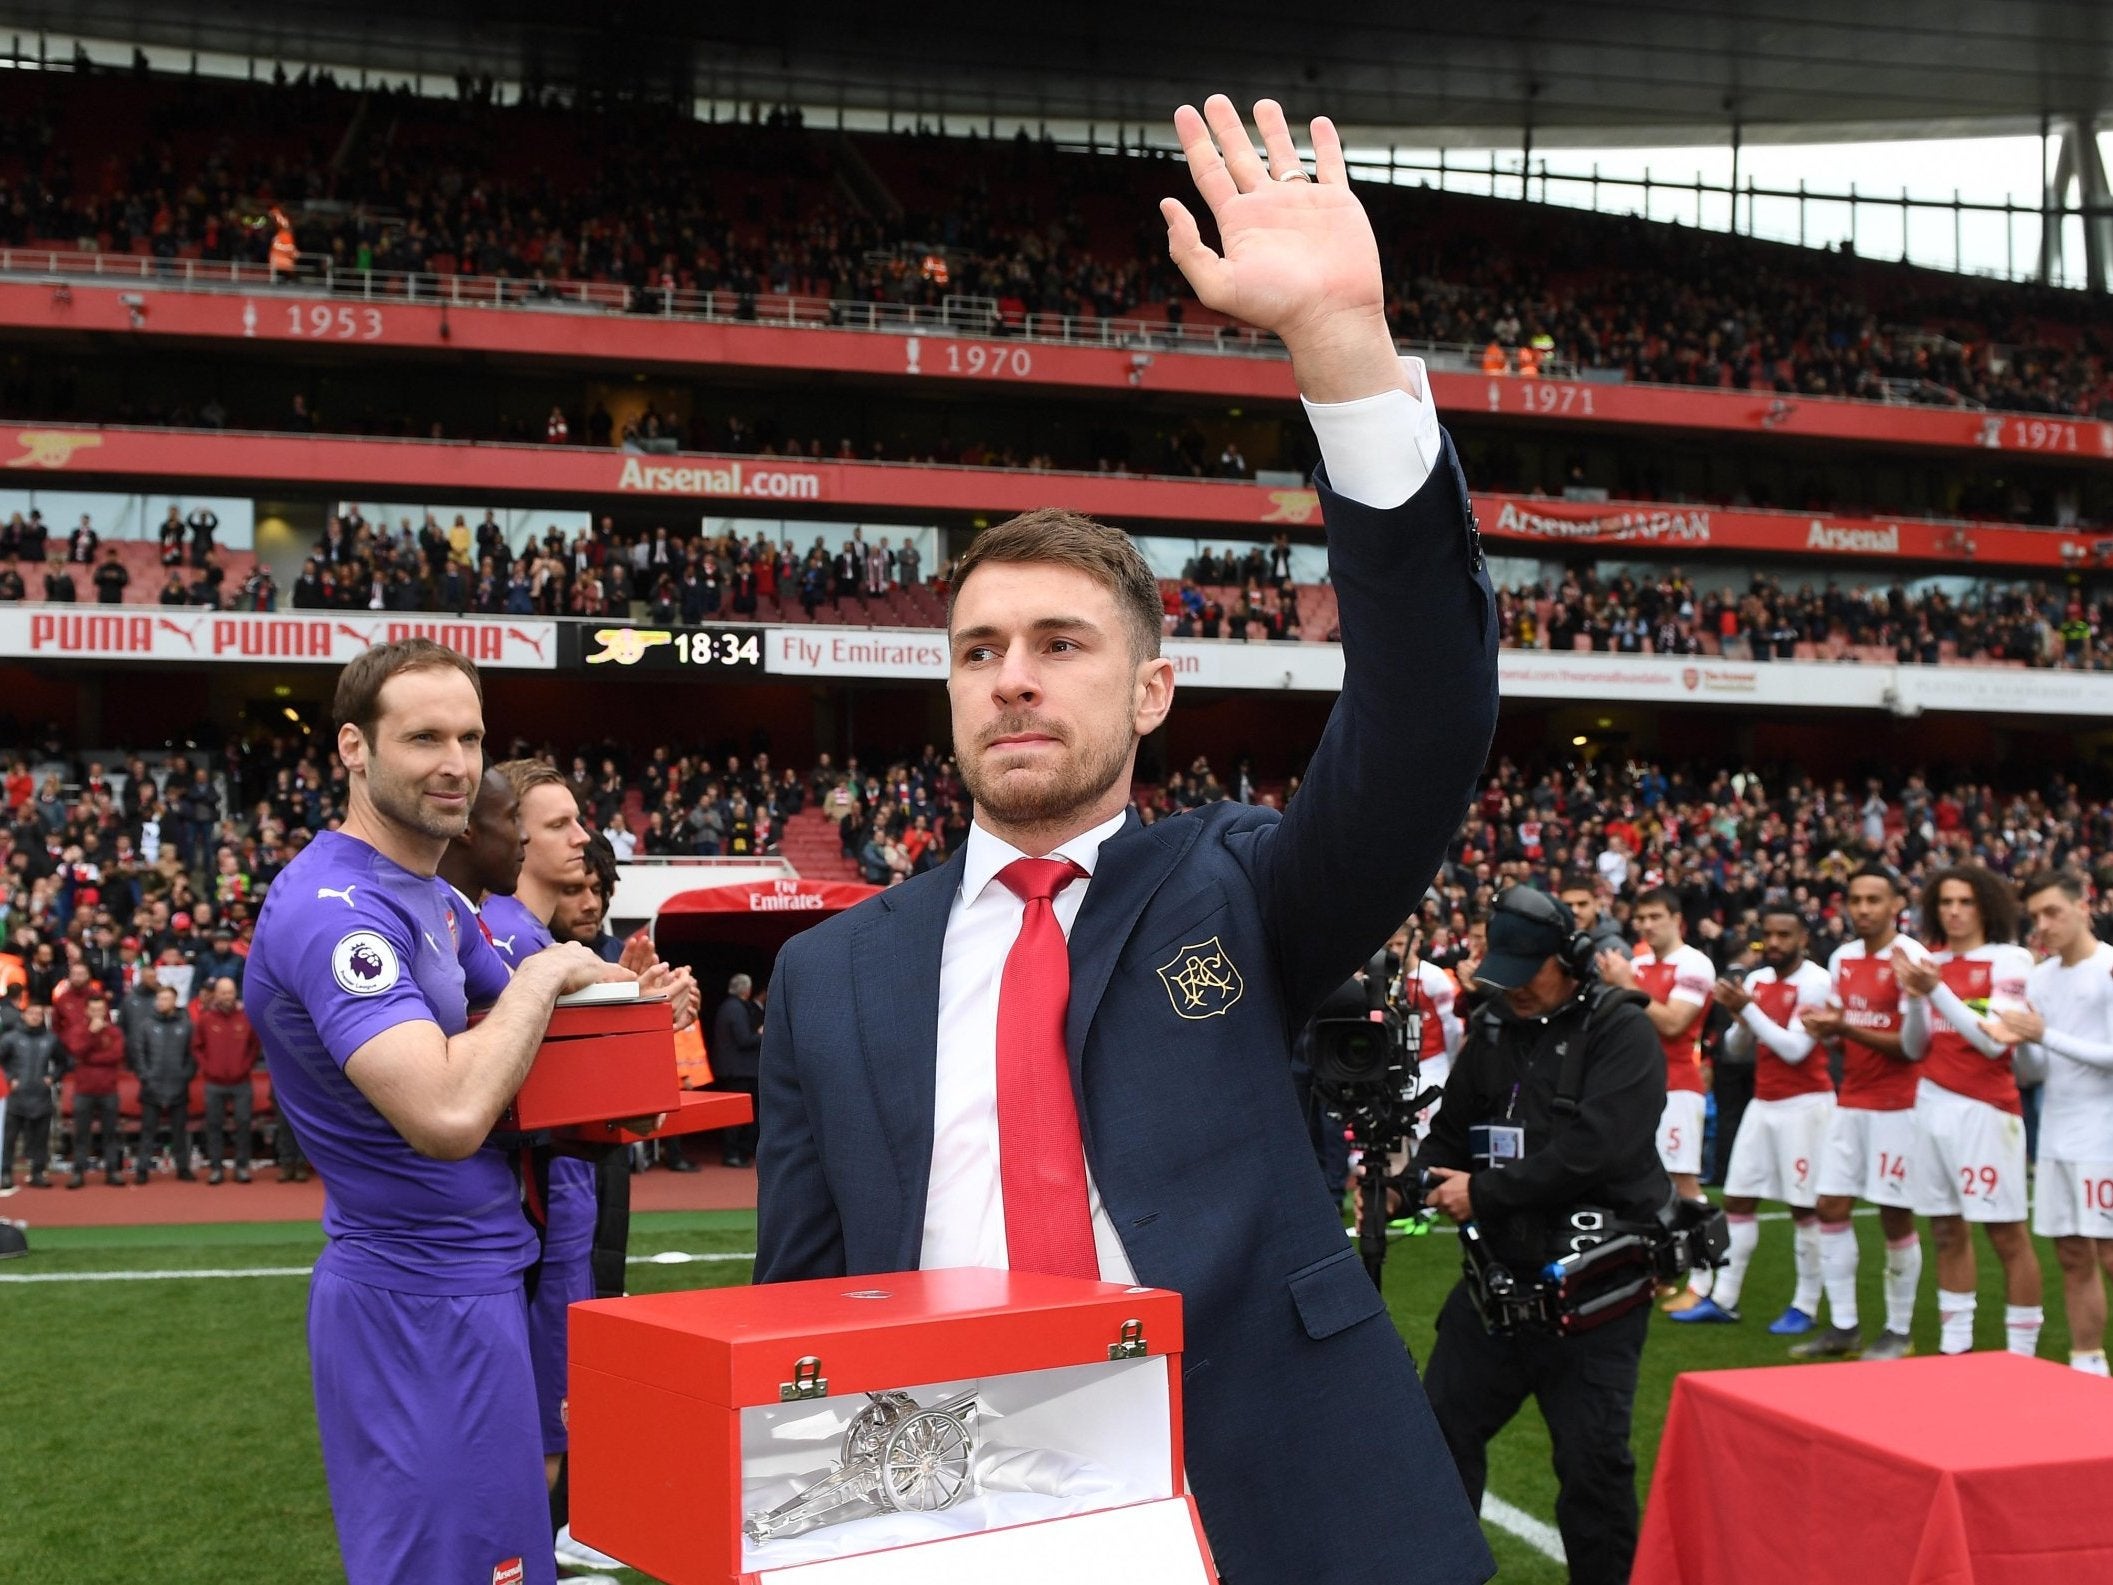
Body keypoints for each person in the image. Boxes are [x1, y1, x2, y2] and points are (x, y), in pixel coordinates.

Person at [753, 97, 1497, 1585]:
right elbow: (805, 1297)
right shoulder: (829, 976)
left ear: (1151, 689)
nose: (1012, 677)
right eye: (976, 651)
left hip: (1240, 1486)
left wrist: (1342, 348)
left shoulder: (1236, 882)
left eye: (1059, 643)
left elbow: (1422, 714)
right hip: (947, 1497)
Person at [243, 638, 628, 1583]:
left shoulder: (432, 897)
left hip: (483, 1281)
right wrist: (546, 969)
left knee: (507, 1569)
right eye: (423, 737)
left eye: (470, 737)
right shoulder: (337, 910)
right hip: (413, 1301)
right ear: (353, 749)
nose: (455, 763)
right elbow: (449, 1110)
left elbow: (566, 1035)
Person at [1410, 885, 1667, 1585]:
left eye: (1529, 968)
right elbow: (1451, 1132)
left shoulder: (1622, 1030)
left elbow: (1597, 1149)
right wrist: (1419, 1173)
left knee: (1591, 1465)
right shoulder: (1492, 1026)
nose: (1514, 986)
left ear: (1570, 957)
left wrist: (1482, 1190)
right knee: (1437, 1433)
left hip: (1594, 1290)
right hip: (1496, 1277)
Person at [1897, 864, 2042, 1356]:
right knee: (1944, 1228)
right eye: (1945, 902)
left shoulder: (2009, 960)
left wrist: (1933, 988)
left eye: (1966, 902)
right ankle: (1954, 1347)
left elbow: (1993, 1046)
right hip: (1930, 1105)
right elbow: (1914, 1047)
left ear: (1987, 907)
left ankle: (2021, 1353)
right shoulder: (1931, 963)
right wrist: (1917, 998)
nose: (1955, 912)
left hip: (1985, 1109)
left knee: (2005, 1234)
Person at [1792, 864, 1928, 1361]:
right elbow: (1838, 1023)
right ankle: (1844, 1326)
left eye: (1875, 900)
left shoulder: (1911, 958)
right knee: (1829, 1206)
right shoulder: (1843, 957)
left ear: (1897, 905)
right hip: (1851, 1100)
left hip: (1899, 1106)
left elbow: (1913, 1047)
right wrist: (1823, 1028)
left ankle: (1898, 1328)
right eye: (1856, 900)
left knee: (1895, 1214)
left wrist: (1844, 1029)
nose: (1864, 909)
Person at [1673, 909, 1834, 1329]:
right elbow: (1737, 1049)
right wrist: (1743, 1020)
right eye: (1769, 935)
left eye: (1785, 935)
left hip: (1805, 1107)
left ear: (1803, 940)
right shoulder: (1760, 981)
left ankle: (1805, 1305)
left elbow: (1796, 1050)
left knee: (1804, 1208)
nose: (1775, 942)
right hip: (1764, 1103)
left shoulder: (1816, 982)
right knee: (1738, 1200)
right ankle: (1724, 1298)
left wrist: (1751, 1013)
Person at [1996, 872, 2113, 1374]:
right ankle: (2088, 1360)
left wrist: (2044, 1035)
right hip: (2058, 1131)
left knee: (2109, 1253)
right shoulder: (2040, 979)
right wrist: (2017, 1044)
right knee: (2071, 1253)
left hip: (2105, 1132)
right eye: (2035, 917)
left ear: (2083, 908)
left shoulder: (2109, 968)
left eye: (2053, 913)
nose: (2042, 926)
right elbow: (2036, 1070)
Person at [1596, 886, 1713, 1241]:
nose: (1647, 925)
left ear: (1677, 919)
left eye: (1655, 917)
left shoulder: (1694, 963)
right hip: (1635, 1085)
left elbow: (1675, 1023)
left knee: (1681, 1179)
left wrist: (1626, 985)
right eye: (1641, 918)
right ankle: (1658, 1267)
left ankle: (1702, 1273)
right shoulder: (1637, 964)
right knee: (1635, 1177)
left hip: (1677, 1084)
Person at [193, 976, 261, 1183]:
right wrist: (208, 1068)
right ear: (215, 994)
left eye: (230, 992)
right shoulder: (205, 1019)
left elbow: (254, 1047)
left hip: (241, 1082)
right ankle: (216, 1168)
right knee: (213, 1125)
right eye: (223, 992)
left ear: (235, 993)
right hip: (214, 1083)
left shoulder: (246, 1018)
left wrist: (245, 1066)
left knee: (243, 1123)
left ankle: (242, 1167)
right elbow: (197, 1047)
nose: (227, 996)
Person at [128, 982, 196, 1181]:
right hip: (152, 1086)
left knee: (179, 1131)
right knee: (148, 1130)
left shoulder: (186, 1026)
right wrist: (146, 1077)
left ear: (175, 1001)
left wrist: (185, 1076)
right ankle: (142, 1168)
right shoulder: (146, 1025)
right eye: (159, 998)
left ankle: (183, 1167)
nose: (161, 1002)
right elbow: (139, 1054)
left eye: (166, 998)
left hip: (178, 1085)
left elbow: (192, 1055)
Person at [67, 993, 125, 1187]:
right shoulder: (79, 1030)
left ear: (106, 1010)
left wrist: (90, 1058)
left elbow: (115, 1056)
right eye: (93, 1010)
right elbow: (76, 1051)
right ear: (86, 1011)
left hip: (108, 1088)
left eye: (100, 1009)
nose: (97, 1013)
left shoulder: (114, 1031)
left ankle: (112, 1171)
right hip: (84, 1089)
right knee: (81, 1134)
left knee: (110, 1133)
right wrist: (92, 1034)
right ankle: (78, 1172)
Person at [0, 1001, 60, 1187]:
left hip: (41, 1095)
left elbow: (64, 1062)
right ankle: (5, 1173)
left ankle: (38, 1173)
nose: (35, 1016)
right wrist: (10, 1078)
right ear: (23, 1015)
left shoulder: (51, 1039)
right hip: (16, 1096)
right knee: (9, 1138)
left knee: (40, 1138)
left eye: (39, 1014)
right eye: (31, 1013)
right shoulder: (10, 1038)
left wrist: (52, 1077)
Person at [709, 973, 762, 1167]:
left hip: (734, 1069)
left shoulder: (727, 1007)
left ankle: (736, 1152)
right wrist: (761, 1034)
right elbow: (743, 1039)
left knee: (737, 1114)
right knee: (739, 1115)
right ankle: (733, 1153)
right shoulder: (736, 1008)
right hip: (740, 1070)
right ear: (746, 990)